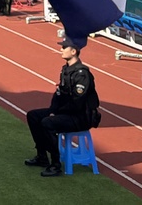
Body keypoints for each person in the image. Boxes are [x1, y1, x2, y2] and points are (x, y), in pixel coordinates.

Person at [24, 39, 100, 178]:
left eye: (64, 47)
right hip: (67, 112)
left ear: (73, 51)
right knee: (33, 116)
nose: (61, 50)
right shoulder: (66, 70)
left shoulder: (81, 74)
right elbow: (59, 94)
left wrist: (56, 114)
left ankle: (55, 165)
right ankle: (42, 156)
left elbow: (77, 103)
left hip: (81, 117)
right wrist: (53, 110)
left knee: (47, 123)